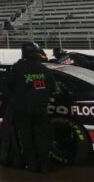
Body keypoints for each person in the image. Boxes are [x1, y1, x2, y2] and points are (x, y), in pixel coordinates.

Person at [5, 42, 56, 172]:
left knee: (26, 137)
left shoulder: (16, 68)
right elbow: (52, 88)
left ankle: (32, 165)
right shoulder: (44, 69)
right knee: (42, 136)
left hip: (22, 109)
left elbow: (7, 86)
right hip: (40, 108)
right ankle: (45, 165)